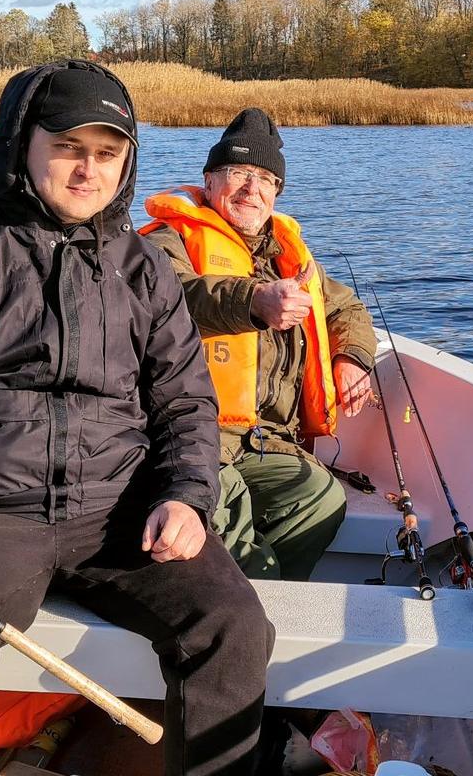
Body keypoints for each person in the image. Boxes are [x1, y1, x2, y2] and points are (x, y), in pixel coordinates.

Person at [0, 61, 271, 776]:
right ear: (23, 144)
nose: (87, 171)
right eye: (69, 147)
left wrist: (186, 496)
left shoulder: (144, 271)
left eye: (107, 154)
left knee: (234, 627)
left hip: (121, 511)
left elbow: (187, 404)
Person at [140, 108, 379, 583]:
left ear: (277, 192)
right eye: (239, 174)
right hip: (189, 434)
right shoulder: (165, 243)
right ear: (209, 181)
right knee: (228, 511)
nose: (253, 189)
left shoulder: (288, 255)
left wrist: (351, 358)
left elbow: (345, 309)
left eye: (266, 178)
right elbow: (176, 295)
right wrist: (253, 300)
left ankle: (262, 601)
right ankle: (249, 612)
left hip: (271, 440)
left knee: (318, 497)